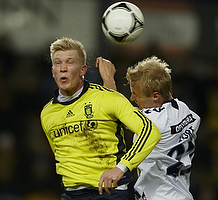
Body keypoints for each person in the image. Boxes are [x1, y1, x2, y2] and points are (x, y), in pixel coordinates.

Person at [40, 37, 161, 200]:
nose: (63, 68)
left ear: (83, 70)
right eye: (58, 63)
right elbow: (61, 155)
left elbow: (150, 132)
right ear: (53, 71)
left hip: (110, 192)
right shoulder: (47, 114)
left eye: (69, 62)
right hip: (71, 195)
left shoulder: (105, 98)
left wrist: (121, 168)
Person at [102, 56, 201, 200]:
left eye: (136, 94)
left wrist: (108, 78)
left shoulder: (153, 121)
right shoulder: (185, 110)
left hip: (158, 196)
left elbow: (113, 113)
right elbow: (196, 118)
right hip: (182, 194)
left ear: (156, 96)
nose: (132, 99)